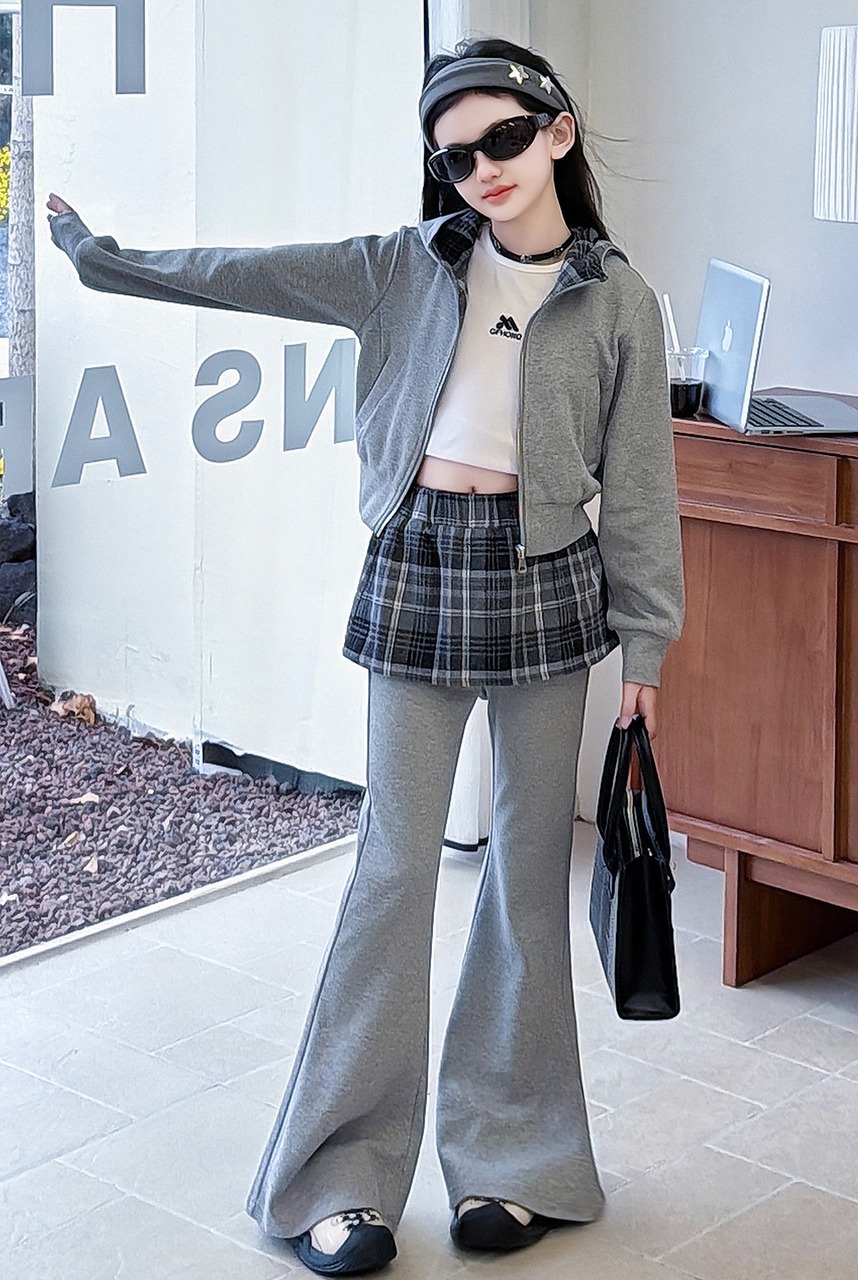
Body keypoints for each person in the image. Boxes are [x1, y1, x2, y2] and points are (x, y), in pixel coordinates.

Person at [47, 35, 684, 1278]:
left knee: (523, 873)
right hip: (420, 561)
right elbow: (241, 275)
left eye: (504, 139)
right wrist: (99, 255)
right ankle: (336, 1180)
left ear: (556, 133)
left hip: (548, 581)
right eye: (456, 156)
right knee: (393, 867)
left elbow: (644, 489)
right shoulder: (403, 266)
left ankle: (515, 1161)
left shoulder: (617, 300)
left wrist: (648, 641)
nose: (482, 169)